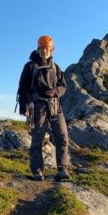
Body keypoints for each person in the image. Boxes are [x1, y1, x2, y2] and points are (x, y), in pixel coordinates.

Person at [16, 35, 70, 181]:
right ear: (38, 48)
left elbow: (63, 86)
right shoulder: (29, 66)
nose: (45, 50)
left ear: (52, 50)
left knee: (62, 137)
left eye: (48, 48)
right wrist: (24, 108)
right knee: (37, 140)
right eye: (43, 48)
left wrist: (56, 92)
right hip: (37, 107)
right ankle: (37, 171)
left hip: (54, 106)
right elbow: (22, 89)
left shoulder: (55, 67)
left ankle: (62, 170)